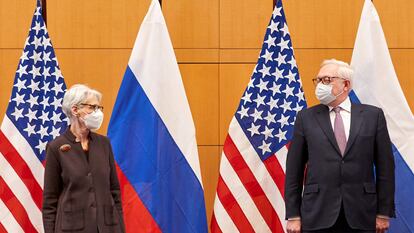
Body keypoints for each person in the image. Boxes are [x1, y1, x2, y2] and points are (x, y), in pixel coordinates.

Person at [285, 59, 395, 233]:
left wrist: (383, 212)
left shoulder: (373, 116)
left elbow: (386, 168)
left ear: (345, 84)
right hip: (317, 213)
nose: (320, 85)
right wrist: (293, 215)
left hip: (362, 213)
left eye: (327, 80)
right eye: (318, 80)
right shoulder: (306, 117)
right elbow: (294, 170)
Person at [42, 84, 125, 233]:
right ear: (75, 110)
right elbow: (50, 201)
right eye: (92, 107)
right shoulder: (56, 147)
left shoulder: (104, 143)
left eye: (99, 108)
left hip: (107, 227)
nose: (97, 112)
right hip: (71, 228)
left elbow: (114, 191)